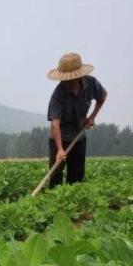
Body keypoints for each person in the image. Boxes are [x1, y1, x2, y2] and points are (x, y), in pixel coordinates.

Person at [46, 53, 107, 188]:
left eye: (69, 78)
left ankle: (74, 202)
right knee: (56, 173)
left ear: (78, 76)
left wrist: (92, 117)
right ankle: (55, 200)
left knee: (77, 175)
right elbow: (55, 125)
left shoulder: (91, 83)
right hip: (59, 138)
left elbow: (102, 97)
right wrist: (60, 150)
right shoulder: (57, 95)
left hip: (79, 136)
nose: (66, 81)